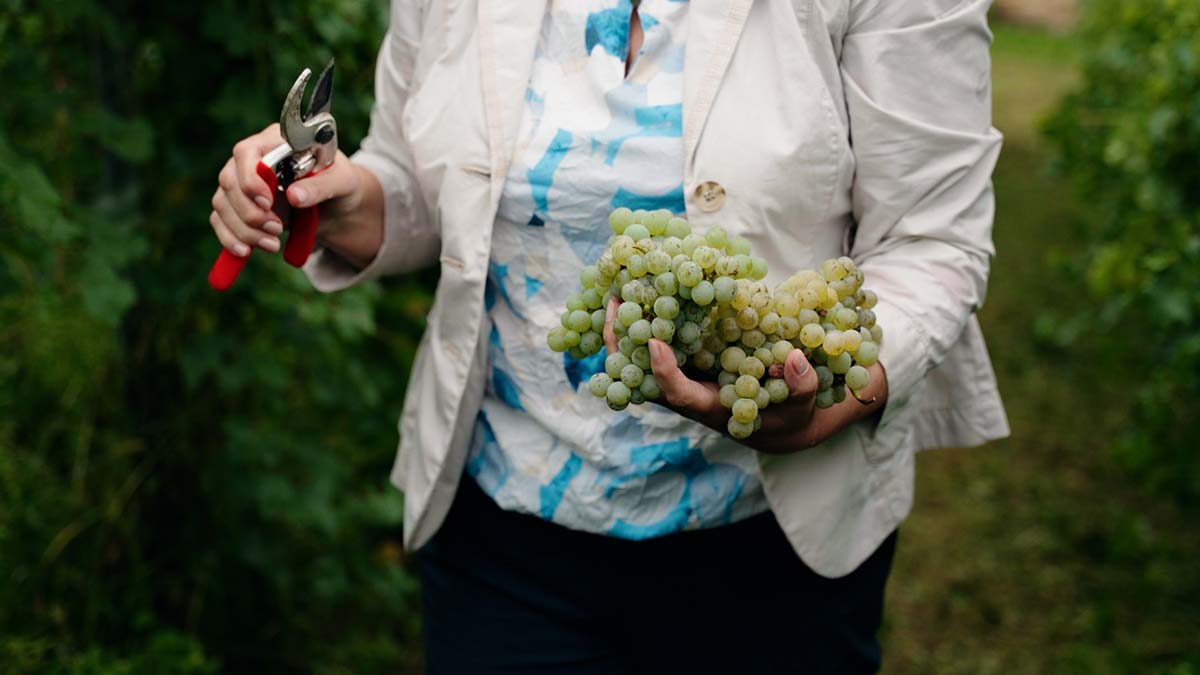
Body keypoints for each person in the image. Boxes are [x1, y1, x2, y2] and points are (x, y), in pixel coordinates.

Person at [209, 0, 1008, 672]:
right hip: (504, 533)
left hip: (776, 546)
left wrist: (833, 399)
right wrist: (345, 196)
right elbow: (433, 187)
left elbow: (934, 242)